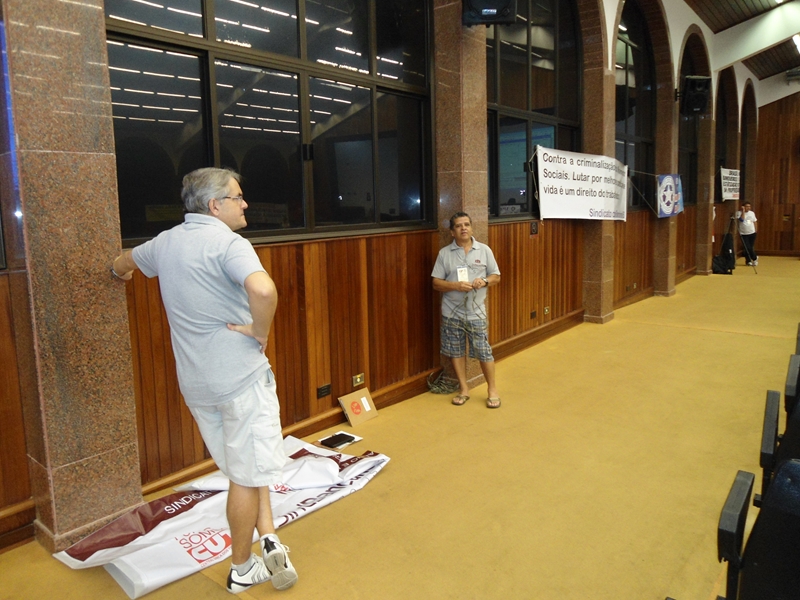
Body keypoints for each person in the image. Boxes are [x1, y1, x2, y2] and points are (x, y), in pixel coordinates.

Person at [110, 168, 297, 594]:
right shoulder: (230, 244)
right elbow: (264, 292)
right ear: (215, 206)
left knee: (243, 465)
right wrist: (260, 332)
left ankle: (268, 535)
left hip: (197, 385)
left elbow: (124, 261)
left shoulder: (165, 242)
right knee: (246, 474)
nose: (245, 203)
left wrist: (118, 272)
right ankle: (242, 567)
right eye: (238, 197)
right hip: (239, 379)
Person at [431, 212, 501, 408]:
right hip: (451, 312)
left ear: (471, 228)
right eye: (459, 226)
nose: (463, 228)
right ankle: (463, 389)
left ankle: (492, 390)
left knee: (483, 351)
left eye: (467, 225)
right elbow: (436, 283)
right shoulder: (445, 253)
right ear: (452, 232)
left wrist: (484, 281)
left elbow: (496, 276)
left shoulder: (484, 250)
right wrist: (455, 286)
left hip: (476, 312)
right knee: (456, 351)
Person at [737, 201, 758, 266]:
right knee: (746, 247)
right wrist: (743, 211)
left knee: (750, 247)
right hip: (743, 233)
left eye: (749, 206)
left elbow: (755, 221)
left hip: (752, 232)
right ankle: (754, 258)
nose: (748, 208)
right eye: (747, 206)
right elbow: (741, 220)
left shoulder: (752, 213)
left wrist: (756, 230)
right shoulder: (738, 213)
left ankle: (749, 260)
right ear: (743, 207)